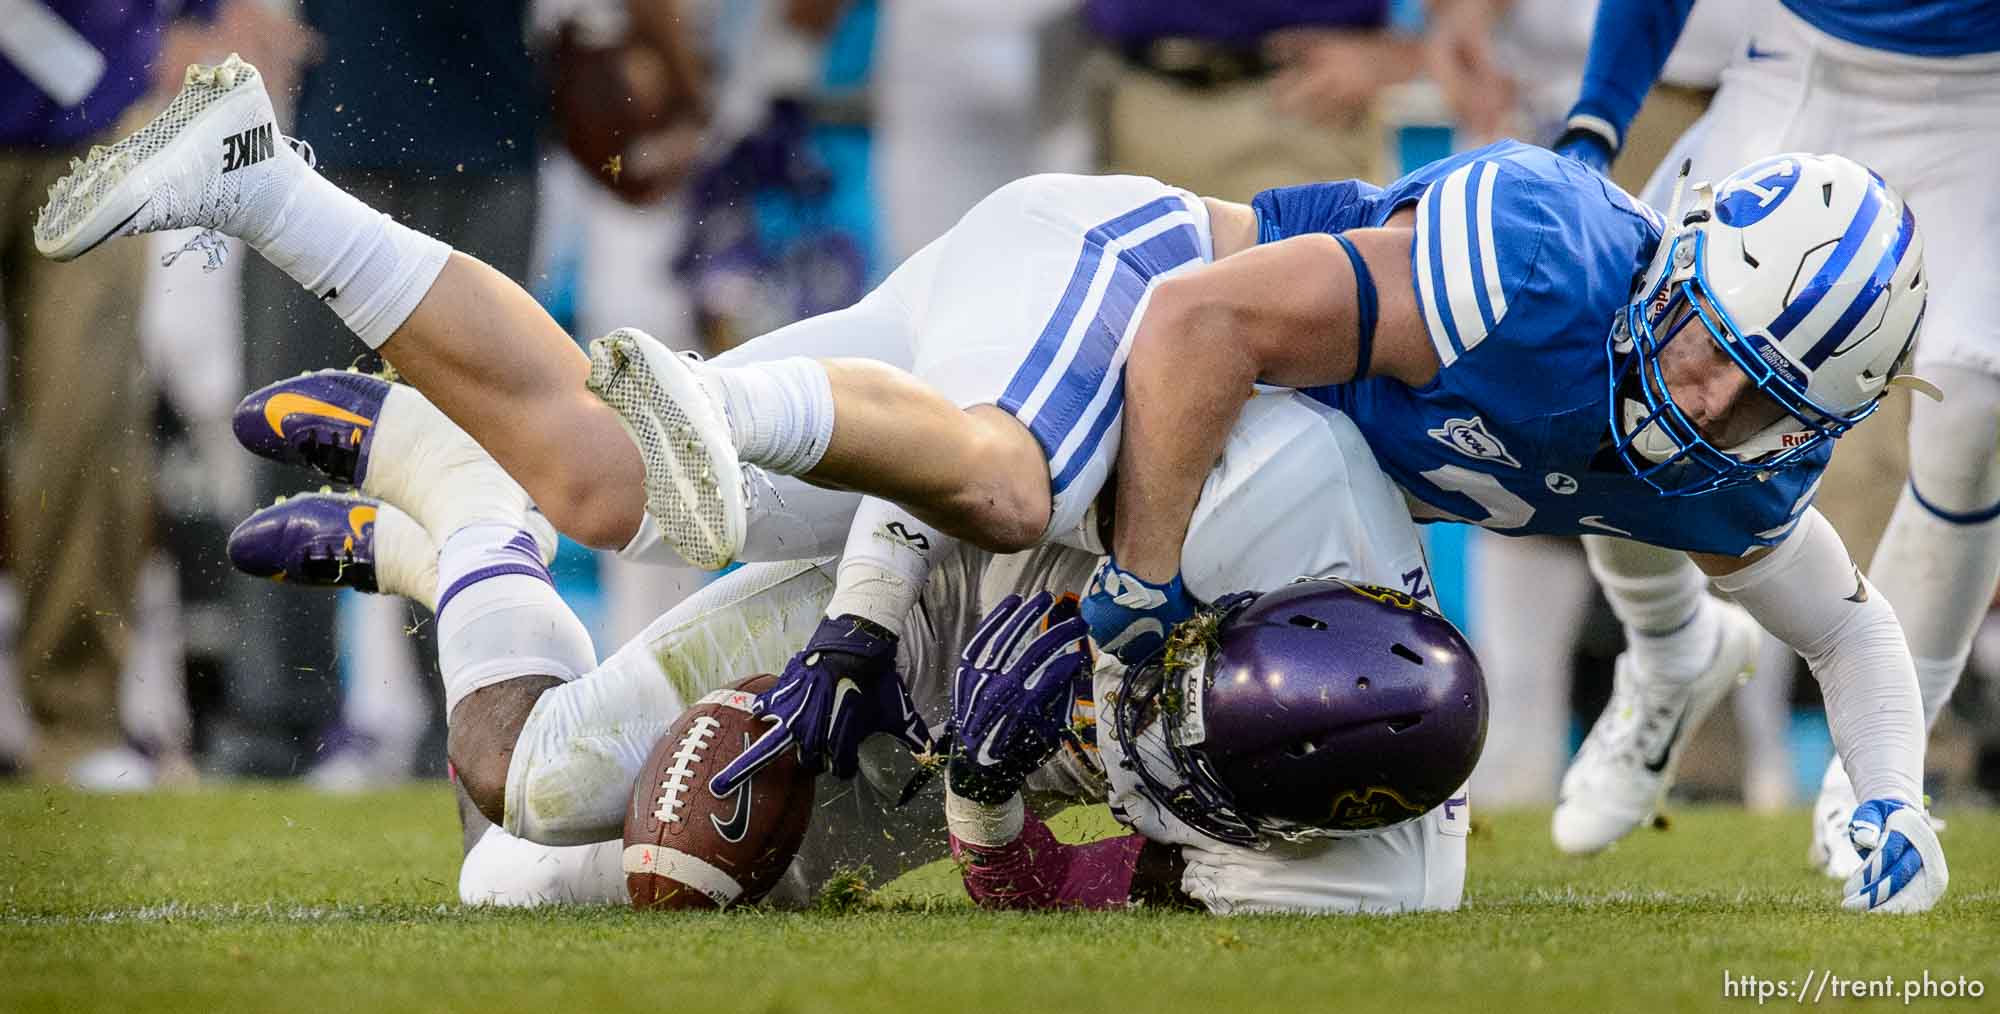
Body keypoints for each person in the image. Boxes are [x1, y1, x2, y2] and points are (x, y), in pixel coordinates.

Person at [38, 56, 1939, 912]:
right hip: (1120, 283)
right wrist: (1117, 618)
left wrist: (1896, 813)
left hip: (1118, 476)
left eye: (1754, 399)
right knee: (1020, 480)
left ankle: (262, 183)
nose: (1697, 398)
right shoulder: (1539, 256)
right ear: (1672, 264)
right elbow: (1194, 332)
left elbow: (1850, 634)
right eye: (1701, 342)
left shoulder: (1711, 485)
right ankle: (753, 405)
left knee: (597, 525)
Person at [226, 373, 1481, 912]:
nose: (1130, 737)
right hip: (911, 598)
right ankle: (459, 495)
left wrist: (986, 801)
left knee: (509, 883)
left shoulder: (1343, 888)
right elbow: (948, 425)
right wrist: (854, 631)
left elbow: (1046, 889)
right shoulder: (1258, 476)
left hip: (947, 769)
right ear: (1249, 606)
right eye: (1160, 698)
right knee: (538, 780)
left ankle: (437, 561)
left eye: (1183, 770)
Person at [1548, 0, 2000, 878]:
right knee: (1627, 357)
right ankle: (1671, 643)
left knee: (1974, 403)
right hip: (1798, 70)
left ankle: (1874, 781)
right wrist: (1595, 120)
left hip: (1984, 101)